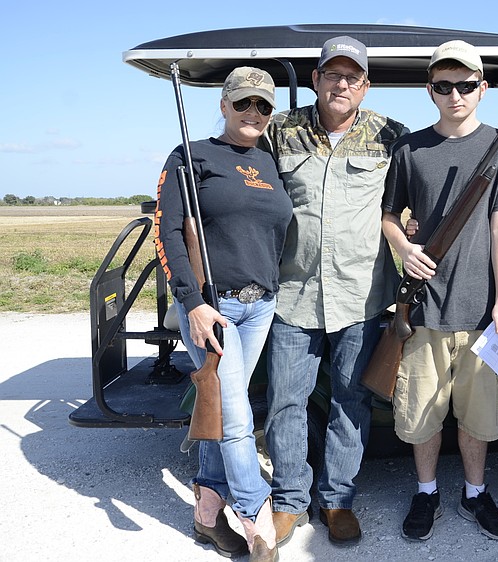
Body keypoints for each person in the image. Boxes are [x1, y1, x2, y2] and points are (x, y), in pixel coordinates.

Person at [260, 36, 407, 547]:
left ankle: (338, 499)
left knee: (351, 402)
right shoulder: (279, 131)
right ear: (316, 79)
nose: (341, 84)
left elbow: (408, 203)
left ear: (365, 86)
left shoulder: (391, 136)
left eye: (352, 77)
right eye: (332, 75)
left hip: (360, 297)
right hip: (292, 294)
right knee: (285, 402)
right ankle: (288, 500)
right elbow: (244, 182)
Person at [381, 40, 498, 542]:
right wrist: (404, 247)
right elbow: (389, 215)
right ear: (430, 91)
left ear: (483, 89)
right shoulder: (409, 149)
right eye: (444, 86)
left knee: (479, 417)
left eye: (465, 85)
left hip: (482, 313)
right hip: (422, 310)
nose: (455, 95)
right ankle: (426, 492)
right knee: (421, 415)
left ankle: (475, 493)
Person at [154, 67, 293, 562]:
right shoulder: (190, 156)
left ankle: (207, 511)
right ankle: (257, 516)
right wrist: (192, 303)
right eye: (243, 103)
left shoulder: (271, 162)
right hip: (214, 307)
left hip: (261, 305)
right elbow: (168, 232)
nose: (253, 112)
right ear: (224, 105)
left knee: (220, 401)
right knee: (236, 414)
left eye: (263, 105)